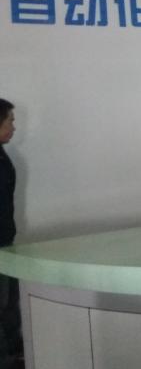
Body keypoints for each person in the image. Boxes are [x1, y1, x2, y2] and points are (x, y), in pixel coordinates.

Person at [0, 99, 21, 367]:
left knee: (8, 303)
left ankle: (14, 353)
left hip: (6, 242)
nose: (14, 127)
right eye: (10, 121)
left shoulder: (2, 155)